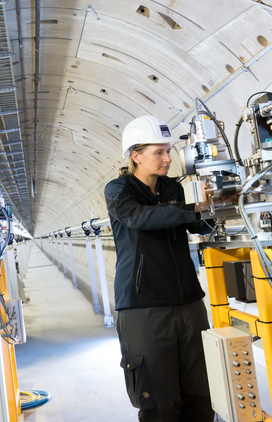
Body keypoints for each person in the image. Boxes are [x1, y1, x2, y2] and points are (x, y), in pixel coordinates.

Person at [105, 115, 215, 422]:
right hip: (144, 307)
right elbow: (141, 218)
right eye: (159, 152)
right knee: (159, 400)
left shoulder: (174, 188)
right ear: (136, 156)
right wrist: (188, 208)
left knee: (201, 393)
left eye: (169, 151)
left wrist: (211, 207)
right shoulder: (118, 190)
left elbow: (199, 227)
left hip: (188, 302)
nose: (168, 159)